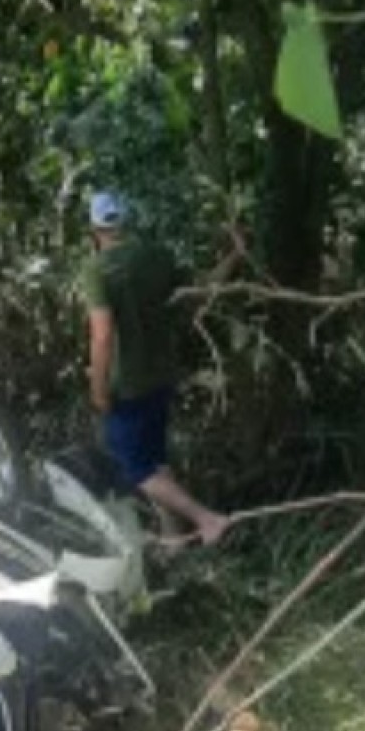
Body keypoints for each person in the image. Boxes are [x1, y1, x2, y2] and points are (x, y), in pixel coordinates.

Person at [80, 190, 231, 546]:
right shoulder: (157, 256)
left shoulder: (97, 270)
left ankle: (206, 520)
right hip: (162, 374)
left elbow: (102, 335)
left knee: (136, 468)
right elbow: (203, 288)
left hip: (127, 385)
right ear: (126, 221)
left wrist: (98, 389)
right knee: (155, 458)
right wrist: (234, 256)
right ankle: (173, 537)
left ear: (94, 229)